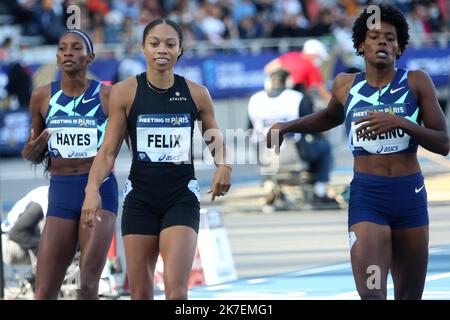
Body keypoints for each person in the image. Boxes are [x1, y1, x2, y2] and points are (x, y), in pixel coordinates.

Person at [267, 3, 449, 300]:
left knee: (409, 296)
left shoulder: (417, 82)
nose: (382, 42)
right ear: (361, 45)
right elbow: (329, 117)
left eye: (390, 38)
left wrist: (399, 122)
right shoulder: (344, 85)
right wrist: (288, 126)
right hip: (369, 197)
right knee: (372, 294)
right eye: (375, 37)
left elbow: (443, 142)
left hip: (409, 197)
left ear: (399, 48)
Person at [82, 18, 232, 300]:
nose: (161, 49)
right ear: (143, 48)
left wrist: (224, 165)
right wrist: (92, 189)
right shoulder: (124, 92)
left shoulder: (197, 94)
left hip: (180, 197)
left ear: (180, 51)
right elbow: (108, 150)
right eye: (154, 43)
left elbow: (215, 139)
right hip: (140, 199)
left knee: (177, 293)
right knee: (140, 293)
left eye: (170, 44)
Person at [21, 29, 119, 300]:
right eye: (63, 48)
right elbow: (31, 152)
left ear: (90, 57)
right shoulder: (42, 97)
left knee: (86, 286)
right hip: (61, 192)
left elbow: (122, 146)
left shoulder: (108, 97)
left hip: (98, 189)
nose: (68, 52)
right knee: (44, 291)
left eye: (76, 48)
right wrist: (34, 147)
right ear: (56, 57)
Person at [248, 69, 335, 205]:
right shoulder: (297, 98)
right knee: (324, 147)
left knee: (261, 143)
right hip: (295, 153)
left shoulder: (255, 99)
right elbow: (312, 126)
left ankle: (268, 185)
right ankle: (319, 191)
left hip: (265, 156)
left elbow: (249, 130)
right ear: (289, 82)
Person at [1, 186, 49, 291]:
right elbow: (16, 233)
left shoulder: (43, 194)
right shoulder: (42, 200)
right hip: (11, 245)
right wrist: (46, 247)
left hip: (13, 240)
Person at [264, 38, 331, 103]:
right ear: (313, 55)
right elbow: (323, 93)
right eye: (319, 57)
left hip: (273, 97)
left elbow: (267, 68)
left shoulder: (291, 55)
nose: (320, 60)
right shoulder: (312, 67)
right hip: (292, 102)